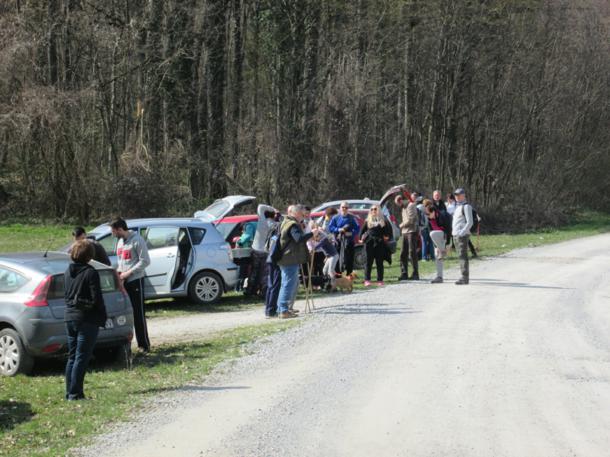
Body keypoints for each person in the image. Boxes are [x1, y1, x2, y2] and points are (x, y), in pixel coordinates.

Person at [63, 240, 107, 400]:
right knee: (82, 357)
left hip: (69, 316)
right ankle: (75, 394)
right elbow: (97, 299)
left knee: (72, 356)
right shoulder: (90, 272)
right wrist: (102, 315)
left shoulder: (67, 271)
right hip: (86, 318)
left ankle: (69, 392)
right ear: (89, 255)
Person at [111, 218, 151, 351]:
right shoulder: (119, 242)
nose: (112, 234)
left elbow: (145, 261)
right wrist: (118, 273)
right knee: (124, 314)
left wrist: (128, 273)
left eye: (113, 231)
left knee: (138, 314)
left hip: (135, 281)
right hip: (123, 282)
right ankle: (125, 347)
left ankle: (144, 345)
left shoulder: (137, 240)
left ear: (120, 229)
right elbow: (121, 261)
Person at [276, 205, 319, 318]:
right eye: (301, 214)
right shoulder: (292, 224)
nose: (303, 216)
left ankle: (282, 308)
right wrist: (312, 234)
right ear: (295, 213)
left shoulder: (286, 222)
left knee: (286, 284)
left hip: (286, 258)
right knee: (288, 284)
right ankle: (283, 310)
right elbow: (299, 239)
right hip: (289, 258)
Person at [245, 204, 277, 297]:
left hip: (256, 249)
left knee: (254, 271)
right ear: (273, 216)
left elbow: (260, 206)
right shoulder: (275, 225)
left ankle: (250, 290)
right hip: (266, 251)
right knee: (264, 273)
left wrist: (273, 209)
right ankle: (264, 292)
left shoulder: (262, 221)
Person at [359, 205, 392, 286]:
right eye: (372, 209)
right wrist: (360, 239)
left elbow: (387, 233)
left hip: (379, 243)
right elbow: (361, 231)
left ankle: (380, 280)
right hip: (369, 243)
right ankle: (367, 280)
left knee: (379, 262)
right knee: (368, 262)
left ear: (379, 210)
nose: (374, 211)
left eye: (375, 209)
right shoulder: (368, 220)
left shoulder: (383, 220)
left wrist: (384, 229)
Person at [328, 202, 360, 276]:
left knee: (349, 259)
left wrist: (351, 233)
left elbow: (357, 228)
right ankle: (338, 276)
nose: (344, 209)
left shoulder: (352, 218)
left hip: (349, 241)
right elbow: (330, 228)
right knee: (337, 258)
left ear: (348, 209)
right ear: (340, 208)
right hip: (338, 241)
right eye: (343, 207)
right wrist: (338, 229)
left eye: (346, 207)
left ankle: (349, 275)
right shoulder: (335, 217)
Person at [424, 199, 450, 284]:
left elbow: (449, 230)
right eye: (426, 214)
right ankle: (439, 277)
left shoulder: (443, 215)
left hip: (444, 236)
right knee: (438, 256)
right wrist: (436, 247)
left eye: (428, 214)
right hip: (437, 240)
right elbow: (432, 235)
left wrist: (447, 244)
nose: (427, 216)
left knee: (432, 233)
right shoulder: (429, 220)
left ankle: (442, 250)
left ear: (433, 212)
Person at [452, 188, 474, 285]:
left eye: (458, 195)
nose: (456, 196)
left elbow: (470, 222)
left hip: (462, 235)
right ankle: (463, 276)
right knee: (460, 256)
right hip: (456, 234)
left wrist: (462, 232)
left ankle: (465, 277)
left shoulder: (466, 206)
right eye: (455, 195)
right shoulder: (457, 206)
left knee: (463, 256)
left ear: (463, 195)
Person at [396, 193, 420, 280]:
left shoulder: (411, 205)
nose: (398, 205)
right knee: (403, 253)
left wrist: (401, 225)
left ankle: (415, 273)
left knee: (412, 252)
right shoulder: (403, 208)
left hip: (412, 231)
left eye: (398, 203)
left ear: (401, 200)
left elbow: (411, 219)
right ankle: (404, 273)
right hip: (404, 232)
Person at [264, 213, 282, 318]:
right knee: (275, 285)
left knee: (270, 285)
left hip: (269, 259)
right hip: (276, 260)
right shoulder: (278, 233)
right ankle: (271, 310)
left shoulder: (272, 232)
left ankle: (268, 309)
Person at [417, 195, 434, 261]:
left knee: (424, 242)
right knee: (430, 242)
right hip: (427, 227)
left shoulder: (418, 209)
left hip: (422, 227)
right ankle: (431, 257)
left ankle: (425, 257)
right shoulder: (426, 209)